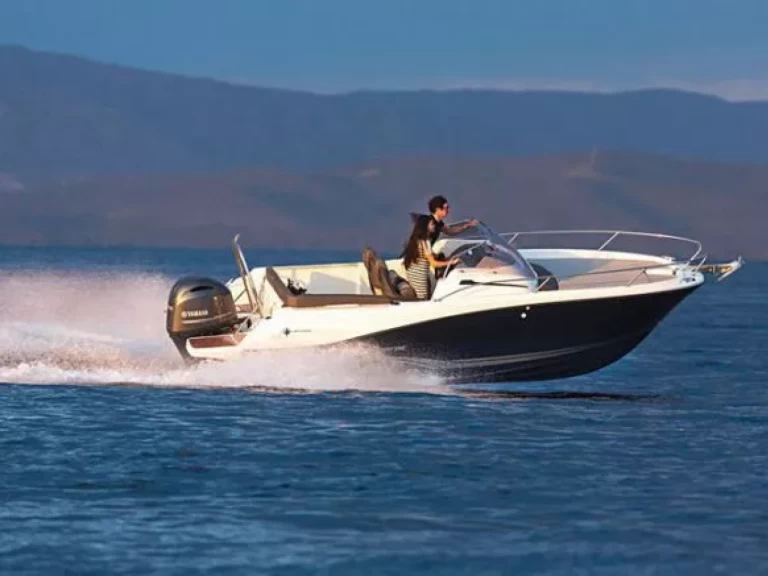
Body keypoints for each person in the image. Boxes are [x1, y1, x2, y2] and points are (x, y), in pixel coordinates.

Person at [402, 215, 459, 300]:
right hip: (420, 278)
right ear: (426, 226)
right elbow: (434, 263)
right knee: (423, 300)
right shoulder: (426, 242)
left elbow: (425, 256)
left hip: (413, 276)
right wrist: (451, 262)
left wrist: (441, 257)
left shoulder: (416, 240)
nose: (434, 226)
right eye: (432, 224)